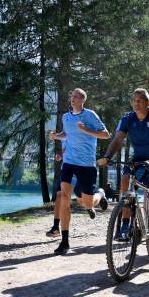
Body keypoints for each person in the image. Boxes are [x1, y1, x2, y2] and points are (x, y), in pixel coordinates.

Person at [98, 88, 149, 241]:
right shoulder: (127, 119)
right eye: (134, 101)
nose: (136, 104)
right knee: (125, 181)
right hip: (138, 159)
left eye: (140, 101)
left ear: (148, 102)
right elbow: (118, 139)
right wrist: (107, 156)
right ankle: (125, 225)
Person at [48, 88, 110, 254]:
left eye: (76, 96)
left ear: (83, 99)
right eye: (72, 96)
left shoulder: (90, 115)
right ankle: (65, 241)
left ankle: (101, 195)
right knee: (65, 197)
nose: (72, 98)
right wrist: (56, 136)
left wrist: (86, 130)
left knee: (86, 203)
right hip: (69, 163)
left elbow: (106, 134)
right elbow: (66, 135)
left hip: (86, 165)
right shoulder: (66, 117)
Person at [45, 143, 107, 238]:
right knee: (60, 196)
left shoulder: (82, 130)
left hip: (82, 168)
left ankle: (100, 194)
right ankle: (56, 227)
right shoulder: (66, 131)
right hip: (67, 169)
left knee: (82, 202)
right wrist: (61, 155)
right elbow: (67, 148)